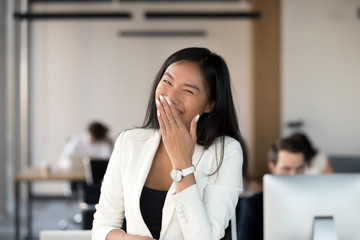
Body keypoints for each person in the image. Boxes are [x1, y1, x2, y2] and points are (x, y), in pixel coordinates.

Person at [92, 47, 247, 240]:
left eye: (188, 90)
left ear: (210, 104)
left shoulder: (225, 151)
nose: (171, 97)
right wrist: (123, 238)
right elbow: (102, 226)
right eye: (167, 82)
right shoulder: (129, 142)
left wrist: (183, 165)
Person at [237, 137, 306, 240]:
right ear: (273, 167)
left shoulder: (316, 202)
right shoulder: (253, 206)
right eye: (287, 169)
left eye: (299, 168)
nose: (294, 175)